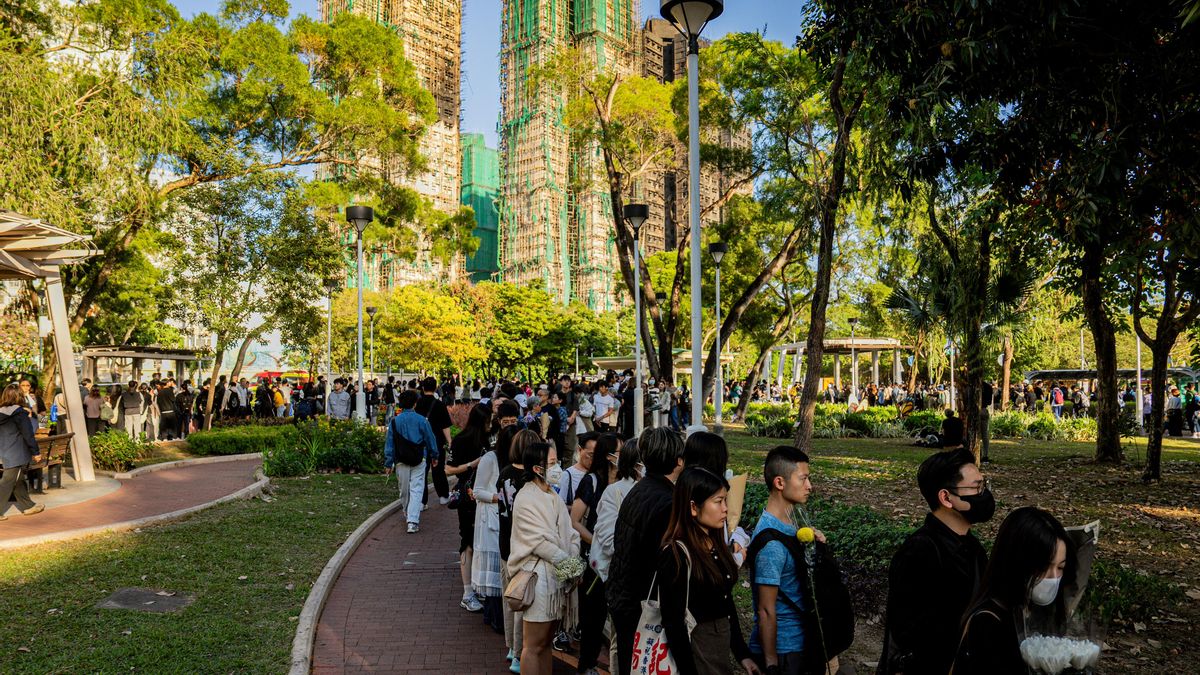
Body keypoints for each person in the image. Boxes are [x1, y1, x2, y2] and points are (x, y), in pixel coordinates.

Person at [877, 449, 992, 675]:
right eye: (976, 488)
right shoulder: (919, 553)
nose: (983, 494)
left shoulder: (973, 548)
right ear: (946, 498)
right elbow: (907, 634)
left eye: (983, 485)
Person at [654, 467, 758, 675]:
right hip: (696, 650)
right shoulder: (676, 554)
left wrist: (742, 654)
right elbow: (674, 623)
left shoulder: (715, 543)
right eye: (718, 501)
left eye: (725, 500)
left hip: (718, 648)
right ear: (693, 507)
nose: (725, 509)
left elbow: (725, 600)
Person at [952, 507, 1077, 674]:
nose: (1053, 577)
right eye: (1043, 567)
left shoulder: (1038, 610)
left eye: (1060, 567)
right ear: (1017, 562)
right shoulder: (988, 623)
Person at [608, 427, 686, 675]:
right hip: (643, 606)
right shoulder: (667, 501)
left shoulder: (639, 490)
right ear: (678, 460)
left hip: (623, 596)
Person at [747, 446, 823, 675]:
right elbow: (765, 610)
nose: (809, 486)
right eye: (803, 478)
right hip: (785, 651)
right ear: (780, 483)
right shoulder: (771, 545)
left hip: (800, 642)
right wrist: (772, 665)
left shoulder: (791, 523)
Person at [509, 440, 581, 675]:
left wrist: (572, 558)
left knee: (546, 644)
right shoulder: (525, 498)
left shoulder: (552, 495)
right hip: (539, 579)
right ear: (537, 469)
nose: (557, 467)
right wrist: (571, 566)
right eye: (552, 463)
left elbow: (570, 533)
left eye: (557, 461)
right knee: (533, 645)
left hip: (557, 579)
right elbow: (540, 543)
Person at [570, 433, 615, 674]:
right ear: (608, 456)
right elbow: (574, 520)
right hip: (593, 560)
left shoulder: (625, 482)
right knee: (592, 615)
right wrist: (598, 543)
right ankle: (586, 664)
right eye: (618, 452)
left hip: (614, 560)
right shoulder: (592, 481)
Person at [499, 429, 543, 673]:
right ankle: (518, 654)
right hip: (524, 546)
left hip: (505, 542)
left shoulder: (504, 473)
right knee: (522, 600)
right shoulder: (529, 478)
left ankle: (510, 647)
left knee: (510, 597)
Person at [447, 404, 492, 613]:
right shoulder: (462, 440)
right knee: (468, 542)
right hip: (468, 496)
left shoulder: (490, 440)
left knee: (480, 542)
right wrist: (472, 464)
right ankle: (467, 593)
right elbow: (448, 469)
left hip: (486, 497)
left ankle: (477, 586)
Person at [471, 410, 508, 632]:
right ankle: (494, 616)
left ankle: (493, 614)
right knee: (494, 570)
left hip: (505, 519)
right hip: (490, 519)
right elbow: (477, 491)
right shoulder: (490, 459)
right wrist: (499, 497)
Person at [384, 389, 440, 534]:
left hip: (401, 460)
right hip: (419, 458)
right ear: (415, 403)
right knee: (417, 489)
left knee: (403, 490)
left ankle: (408, 513)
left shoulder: (394, 421)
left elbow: (390, 443)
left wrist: (388, 463)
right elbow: (430, 439)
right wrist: (435, 455)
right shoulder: (422, 420)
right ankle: (413, 521)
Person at [0, 383, 45, 519]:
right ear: (20, 396)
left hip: (3, 451)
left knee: (18, 479)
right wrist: (36, 452)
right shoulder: (20, 413)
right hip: (16, 453)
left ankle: (28, 506)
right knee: (7, 481)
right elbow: (28, 434)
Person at [415, 377, 454, 505]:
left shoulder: (417, 403)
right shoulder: (439, 404)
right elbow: (445, 426)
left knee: (422, 471)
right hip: (437, 441)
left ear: (423, 388)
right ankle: (443, 496)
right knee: (438, 469)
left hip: (421, 442)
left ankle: (422, 502)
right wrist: (449, 441)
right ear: (436, 387)